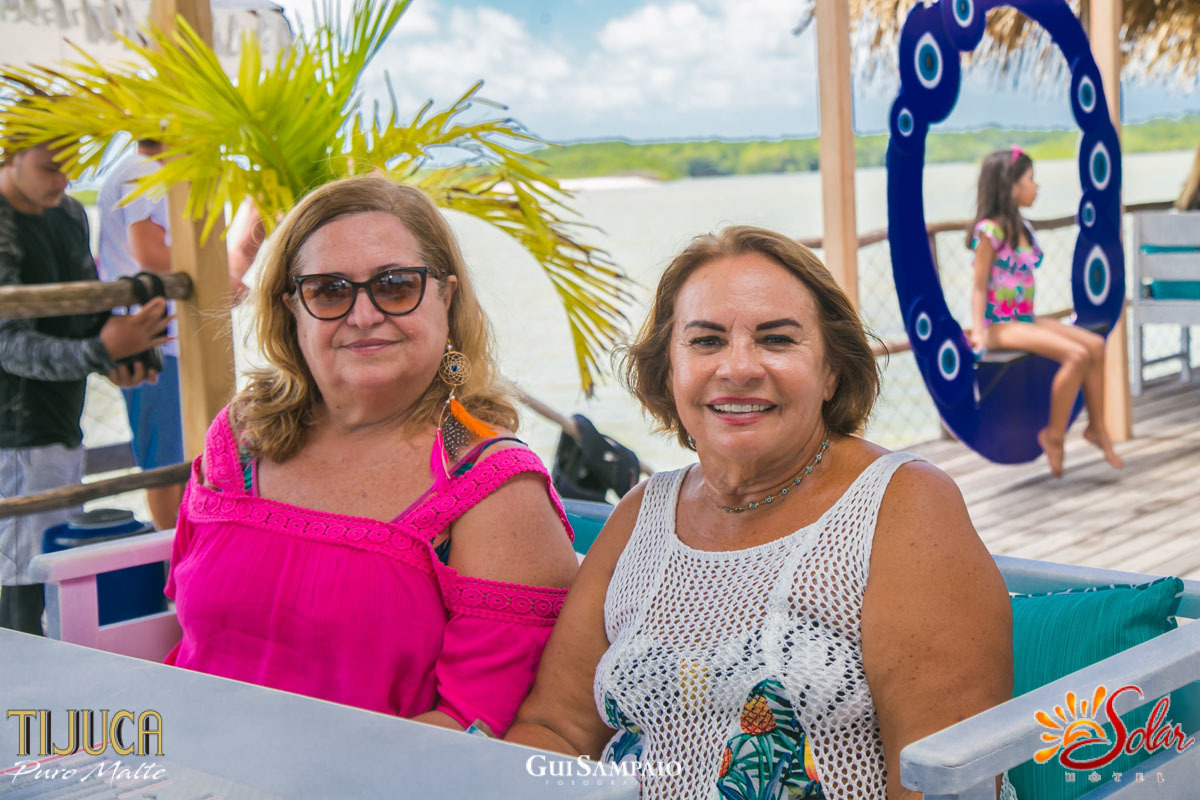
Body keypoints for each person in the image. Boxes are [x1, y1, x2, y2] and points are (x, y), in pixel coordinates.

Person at [506, 226, 1013, 799]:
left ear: (832, 371)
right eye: (705, 342)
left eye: (776, 339)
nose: (738, 368)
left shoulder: (903, 506)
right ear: (668, 370)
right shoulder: (640, 515)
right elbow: (556, 729)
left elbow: (941, 780)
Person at [163, 174, 579, 736]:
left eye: (396, 285)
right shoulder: (239, 439)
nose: (363, 315)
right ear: (292, 309)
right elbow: (191, 638)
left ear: (446, 297)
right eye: (329, 291)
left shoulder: (490, 488)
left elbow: (476, 726)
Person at [0, 141, 168, 634]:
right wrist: (103, 352)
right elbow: (8, 345)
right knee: (20, 578)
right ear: (9, 152)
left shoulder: (70, 212)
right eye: (51, 168)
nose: (64, 181)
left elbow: (84, 306)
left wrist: (127, 354)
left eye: (72, 169)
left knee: (44, 564)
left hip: (58, 422)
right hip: (11, 433)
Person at [967, 147, 1124, 477]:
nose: (1037, 187)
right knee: (1076, 356)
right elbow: (979, 284)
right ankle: (1053, 435)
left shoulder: (1022, 228)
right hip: (1000, 324)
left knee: (1094, 346)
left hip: (1024, 318)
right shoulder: (989, 233)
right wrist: (979, 331)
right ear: (1011, 186)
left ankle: (1097, 427)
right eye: (1031, 180)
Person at [97, 139, 185, 530]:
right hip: (154, 338)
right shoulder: (143, 170)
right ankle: (176, 569)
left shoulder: (132, 168)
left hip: (155, 335)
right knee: (167, 462)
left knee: (170, 457)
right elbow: (148, 252)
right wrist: (219, 274)